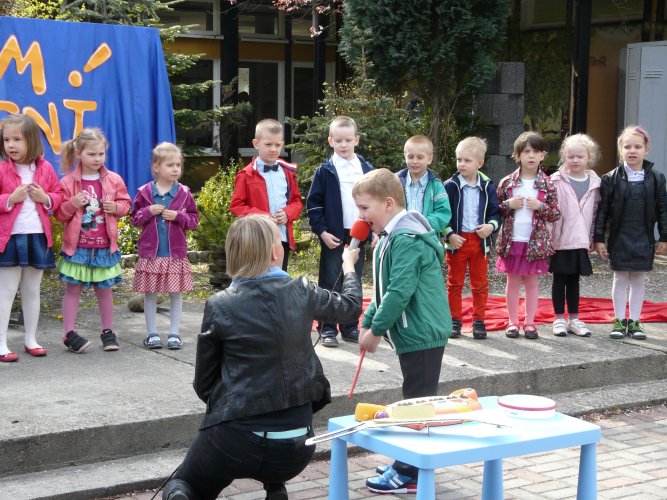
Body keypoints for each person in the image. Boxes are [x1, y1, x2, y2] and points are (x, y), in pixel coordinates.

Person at [162, 214, 362, 500]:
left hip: (236, 440)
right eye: (279, 242)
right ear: (273, 253)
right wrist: (349, 267)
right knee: (271, 453)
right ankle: (275, 486)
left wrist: (228, 408)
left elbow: (204, 384)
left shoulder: (220, 304)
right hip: (298, 444)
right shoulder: (302, 290)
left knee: (185, 484)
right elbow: (351, 307)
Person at [354, 168, 451, 495]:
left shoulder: (406, 240)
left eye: (365, 208)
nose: (361, 216)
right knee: (415, 400)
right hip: (414, 332)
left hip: (423, 332)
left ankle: (410, 471)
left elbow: (399, 291)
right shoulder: (389, 237)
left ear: (388, 203)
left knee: (417, 405)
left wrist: (377, 330)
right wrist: (367, 322)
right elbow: (383, 289)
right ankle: (410, 463)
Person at [55, 128, 131, 353]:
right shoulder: (68, 182)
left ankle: (107, 331)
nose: (97, 159)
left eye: (101, 154)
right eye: (91, 154)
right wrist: (72, 204)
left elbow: (125, 204)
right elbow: (60, 214)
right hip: (78, 247)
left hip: (104, 247)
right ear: (78, 153)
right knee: (73, 289)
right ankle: (69, 333)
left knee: (104, 290)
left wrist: (116, 207)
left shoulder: (114, 179)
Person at [594, 125, 667, 340]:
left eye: (637, 146)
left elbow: (663, 209)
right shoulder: (610, 178)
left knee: (638, 279)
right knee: (619, 277)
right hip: (620, 237)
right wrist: (599, 238)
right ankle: (619, 321)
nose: (632, 151)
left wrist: (664, 237)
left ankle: (634, 322)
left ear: (646, 150)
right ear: (620, 150)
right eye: (627, 147)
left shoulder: (657, 178)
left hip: (644, 236)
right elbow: (602, 210)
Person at [0, 114, 63, 362]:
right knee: (6, 291)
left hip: (37, 236)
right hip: (9, 238)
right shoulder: (2, 169)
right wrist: (10, 199)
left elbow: (58, 195)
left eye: (17, 139)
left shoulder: (45, 168)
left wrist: (45, 198)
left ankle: (31, 339)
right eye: (7, 140)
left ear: (32, 141)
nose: (11, 145)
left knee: (32, 290)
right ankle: (1, 343)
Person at [306, 116, 373, 347]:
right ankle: (327, 328)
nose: (343, 145)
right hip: (333, 235)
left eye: (348, 140)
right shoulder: (325, 171)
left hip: (358, 234)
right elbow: (314, 206)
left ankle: (350, 326)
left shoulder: (366, 169)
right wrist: (322, 232)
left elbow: (374, 203)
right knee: (330, 280)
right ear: (330, 141)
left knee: (353, 278)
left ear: (357, 140)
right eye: (338, 140)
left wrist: (373, 231)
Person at [131, 142, 199, 350]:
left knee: (175, 294)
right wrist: (148, 211)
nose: (176, 169)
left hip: (175, 254)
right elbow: (134, 219)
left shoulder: (184, 193)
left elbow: (194, 221)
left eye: (178, 165)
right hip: (151, 255)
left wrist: (178, 216)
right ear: (156, 167)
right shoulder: (144, 192)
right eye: (170, 165)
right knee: (150, 293)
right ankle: (152, 333)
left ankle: (174, 334)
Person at [496, 131, 560, 339]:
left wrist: (540, 206)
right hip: (512, 241)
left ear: (543, 155)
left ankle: (530, 322)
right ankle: (512, 322)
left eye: (535, 151)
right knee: (513, 282)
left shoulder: (548, 184)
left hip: (535, 243)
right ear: (517, 155)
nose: (531, 155)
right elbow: (496, 210)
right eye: (526, 151)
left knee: (532, 283)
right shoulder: (507, 182)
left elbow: (555, 213)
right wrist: (508, 204)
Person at [443, 137, 500, 340]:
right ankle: (454, 320)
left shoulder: (487, 186)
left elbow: (495, 213)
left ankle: (479, 321)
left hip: (479, 242)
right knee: (454, 283)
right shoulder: (450, 186)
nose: (461, 164)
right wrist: (449, 234)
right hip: (456, 242)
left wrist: (490, 227)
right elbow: (442, 214)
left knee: (480, 284)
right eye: (459, 159)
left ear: (479, 163)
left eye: (467, 160)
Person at [229, 119, 302, 271]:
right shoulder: (246, 175)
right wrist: (263, 217)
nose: (273, 149)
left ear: (282, 144)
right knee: (256, 276)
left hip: (281, 237)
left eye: (278, 145)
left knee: (280, 276)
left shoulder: (288, 173)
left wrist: (288, 214)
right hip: (257, 238)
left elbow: (296, 201)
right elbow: (237, 206)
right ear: (256, 144)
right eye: (268, 144)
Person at [550, 134, 601, 337]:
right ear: (564, 156)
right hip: (560, 240)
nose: (575, 160)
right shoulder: (555, 180)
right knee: (559, 279)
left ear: (589, 157)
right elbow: (549, 212)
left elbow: (595, 213)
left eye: (580, 156)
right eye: (570, 156)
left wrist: (592, 237)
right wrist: (549, 238)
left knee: (574, 280)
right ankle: (558, 319)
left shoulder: (596, 184)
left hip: (580, 240)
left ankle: (574, 319)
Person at [396, 135, 451, 235]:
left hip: (426, 238)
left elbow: (443, 212)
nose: (414, 161)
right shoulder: (395, 182)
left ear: (429, 159)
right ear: (405, 156)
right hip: (400, 236)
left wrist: (422, 225)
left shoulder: (436, 185)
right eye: (410, 157)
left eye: (420, 157)